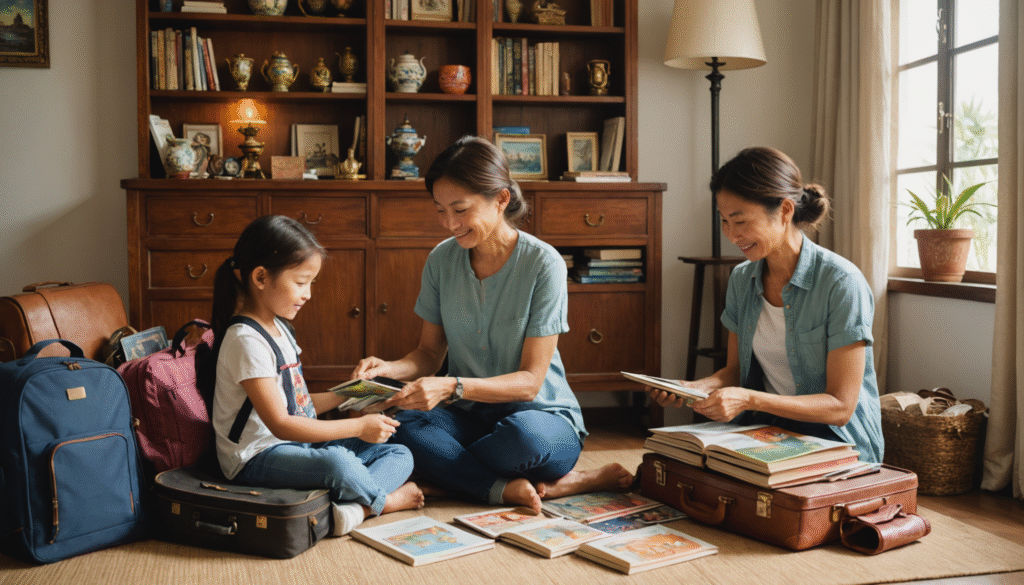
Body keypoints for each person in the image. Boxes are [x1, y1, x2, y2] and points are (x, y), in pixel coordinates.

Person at [352, 136, 632, 513]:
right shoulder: (440, 261)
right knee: (402, 425)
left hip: (540, 420)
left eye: (460, 209)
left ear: (501, 199)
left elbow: (530, 382)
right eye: (440, 210)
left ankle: (453, 479)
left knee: (525, 441)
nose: (449, 223)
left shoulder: (543, 264)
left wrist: (452, 386)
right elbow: (429, 353)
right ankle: (511, 487)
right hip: (468, 418)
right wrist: (389, 369)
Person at [648, 147, 884, 463]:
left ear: (785, 210)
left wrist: (749, 399)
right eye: (724, 221)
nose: (732, 235)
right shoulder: (742, 279)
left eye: (740, 221)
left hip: (836, 440)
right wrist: (695, 387)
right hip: (769, 430)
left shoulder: (841, 282)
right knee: (674, 463)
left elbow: (840, 407)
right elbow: (735, 371)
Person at [209, 215, 424, 537]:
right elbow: (281, 423)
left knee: (398, 451)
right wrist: (358, 427)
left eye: (311, 283)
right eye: (301, 282)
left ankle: (356, 509)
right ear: (261, 277)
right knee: (338, 464)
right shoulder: (246, 340)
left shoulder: (280, 328)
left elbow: (299, 405)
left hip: (297, 443)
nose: (308, 293)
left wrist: (358, 392)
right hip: (256, 457)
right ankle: (385, 501)